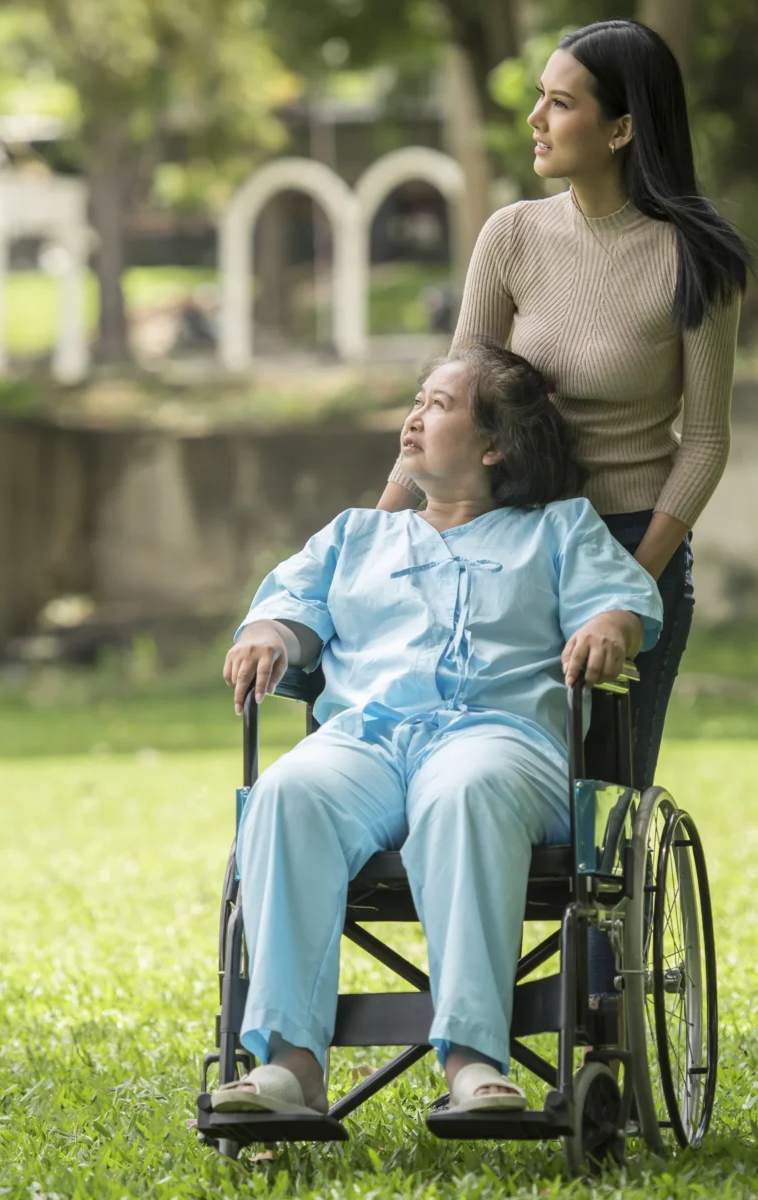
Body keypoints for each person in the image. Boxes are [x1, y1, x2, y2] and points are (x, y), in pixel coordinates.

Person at [210, 343, 662, 1117]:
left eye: (439, 404)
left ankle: (475, 1060)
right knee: (286, 792)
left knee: (465, 791)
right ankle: (289, 1064)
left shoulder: (557, 530)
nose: (414, 416)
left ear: (494, 446)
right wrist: (270, 636)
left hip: (501, 741)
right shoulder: (358, 536)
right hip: (367, 741)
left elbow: (620, 602)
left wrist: (609, 629)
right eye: (416, 400)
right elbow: (289, 607)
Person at [378, 19, 750, 795]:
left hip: (626, 538)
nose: (535, 120)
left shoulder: (696, 259)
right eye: (539, 99)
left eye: (559, 102)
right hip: (509, 544)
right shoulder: (512, 235)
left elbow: (706, 442)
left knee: (598, 804)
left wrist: (629, 584)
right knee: (479, 772)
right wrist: (384, 528)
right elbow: (453, 401)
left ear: (621, 129)